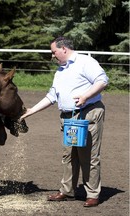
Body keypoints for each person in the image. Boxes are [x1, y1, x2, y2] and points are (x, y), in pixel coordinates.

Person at [20, 36, 108, 207]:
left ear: (64, 49)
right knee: (69, 155)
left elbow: (102, 80)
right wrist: (31, 111)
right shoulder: (60, 71)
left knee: (88, 155)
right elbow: (52, 96)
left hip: (88, 113)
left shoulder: (85, 62)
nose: (52, 56)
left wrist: (85, 96)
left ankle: (92, 194)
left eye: (54, 52)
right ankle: (67, 191)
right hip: (68, 118)